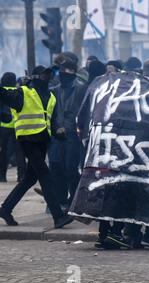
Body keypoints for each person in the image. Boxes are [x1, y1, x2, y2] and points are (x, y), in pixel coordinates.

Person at [0, 66, 74, 229]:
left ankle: (5, 209)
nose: (49, 76)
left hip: (42, 142)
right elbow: (3, 94)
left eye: (50, 73)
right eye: (45, 74)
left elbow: (51, 120)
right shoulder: (23, 92)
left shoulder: (51, 96)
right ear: (36, 76)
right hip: (27, 140)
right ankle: (58, 216)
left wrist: (58, 133)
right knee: (45, 175)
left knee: (29, 179)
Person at [48, 59, 86, 210]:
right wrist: (56, 127)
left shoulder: (81, 89)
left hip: (72, 134)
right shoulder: (54, 90)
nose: (64, 74)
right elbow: (52, 112)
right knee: (56, 166)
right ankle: (61, 199)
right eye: (62, 71)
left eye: (68, 71)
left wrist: (71, 128)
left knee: (70, 168)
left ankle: (75, 200)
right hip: (57, 135)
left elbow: (81, 112)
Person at [0, 72, 26, 183]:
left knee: (3, 153)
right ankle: (21, 176)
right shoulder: (18, 92)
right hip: (17, 126)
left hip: (3, 127)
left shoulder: (2, 92)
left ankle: (2, 176)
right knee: (20, 152)